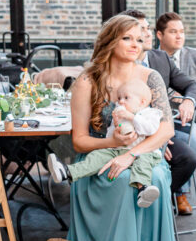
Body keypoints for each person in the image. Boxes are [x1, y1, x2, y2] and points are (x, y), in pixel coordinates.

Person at [66, 15, 196, 241]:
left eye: (139, 38)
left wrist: (131, 154)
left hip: (141, 154)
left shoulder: (150, 77)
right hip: (100, 154)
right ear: (110, 40)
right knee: (120, 181)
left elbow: (166, 129)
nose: (136, 44)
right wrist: (113, 144)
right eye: (127, 38)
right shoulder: (87, 81)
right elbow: (79, 141)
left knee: (154, 176)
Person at [48, 79, 163, 208]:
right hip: (119, 150)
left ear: (142, 102)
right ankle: (67, 172)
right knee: (97, 155)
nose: (121, 101)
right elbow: (110, 136)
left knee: (143, 163)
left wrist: (132, 117)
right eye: (119, 98)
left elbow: (151, 129)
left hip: (143, 152)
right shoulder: (121, 116)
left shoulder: (149, 113)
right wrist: (116, 127)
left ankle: (143, 189)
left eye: (126, 98)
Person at [155, 11, 196, 209]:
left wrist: (189, 93)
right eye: (173, 32)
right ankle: (162, 190)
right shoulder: (152, 58)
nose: (179, 36)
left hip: (186, 119)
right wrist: (169, 94)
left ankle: (180, 193)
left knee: (193, 138)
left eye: (182, 31)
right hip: (157, 118)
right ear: (159, 35)